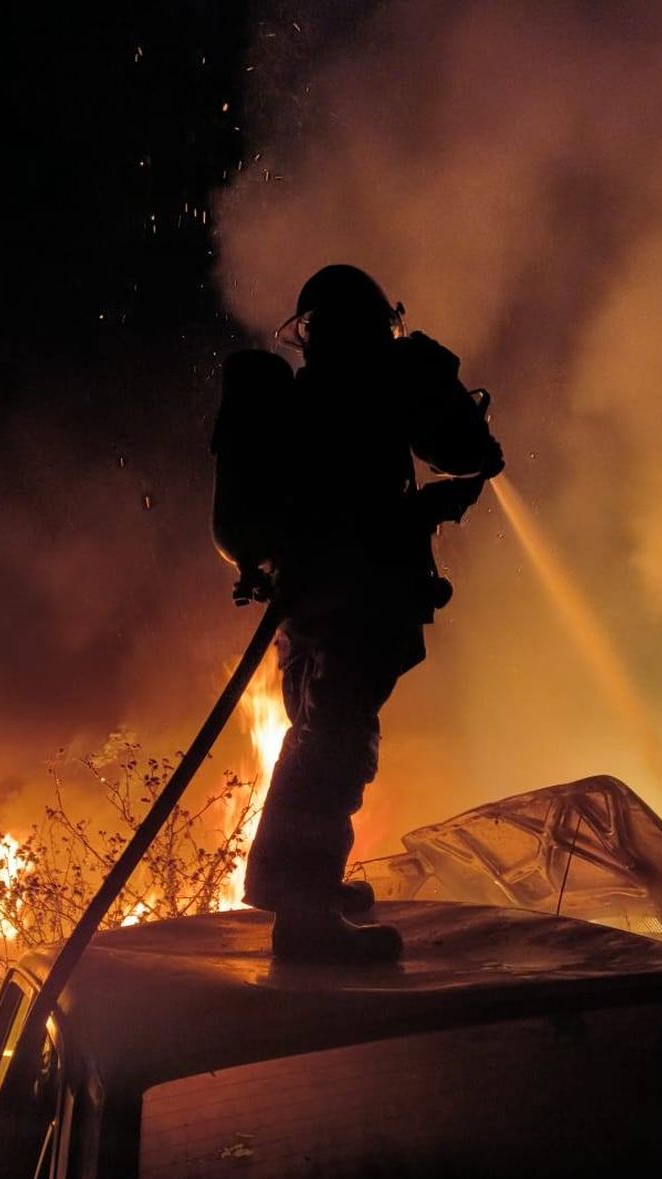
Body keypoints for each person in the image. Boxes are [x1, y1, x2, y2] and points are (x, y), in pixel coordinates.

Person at [211, 264, 503, 962]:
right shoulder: (378, 384)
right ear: (374, 323)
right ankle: (305, 918)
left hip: (304, 606)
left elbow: (332, 507)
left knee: (315, 735)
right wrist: (432, 375)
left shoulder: (305, 398)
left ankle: (302, 887)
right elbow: (465, 452)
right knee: (338, 744)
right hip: (354, 601)